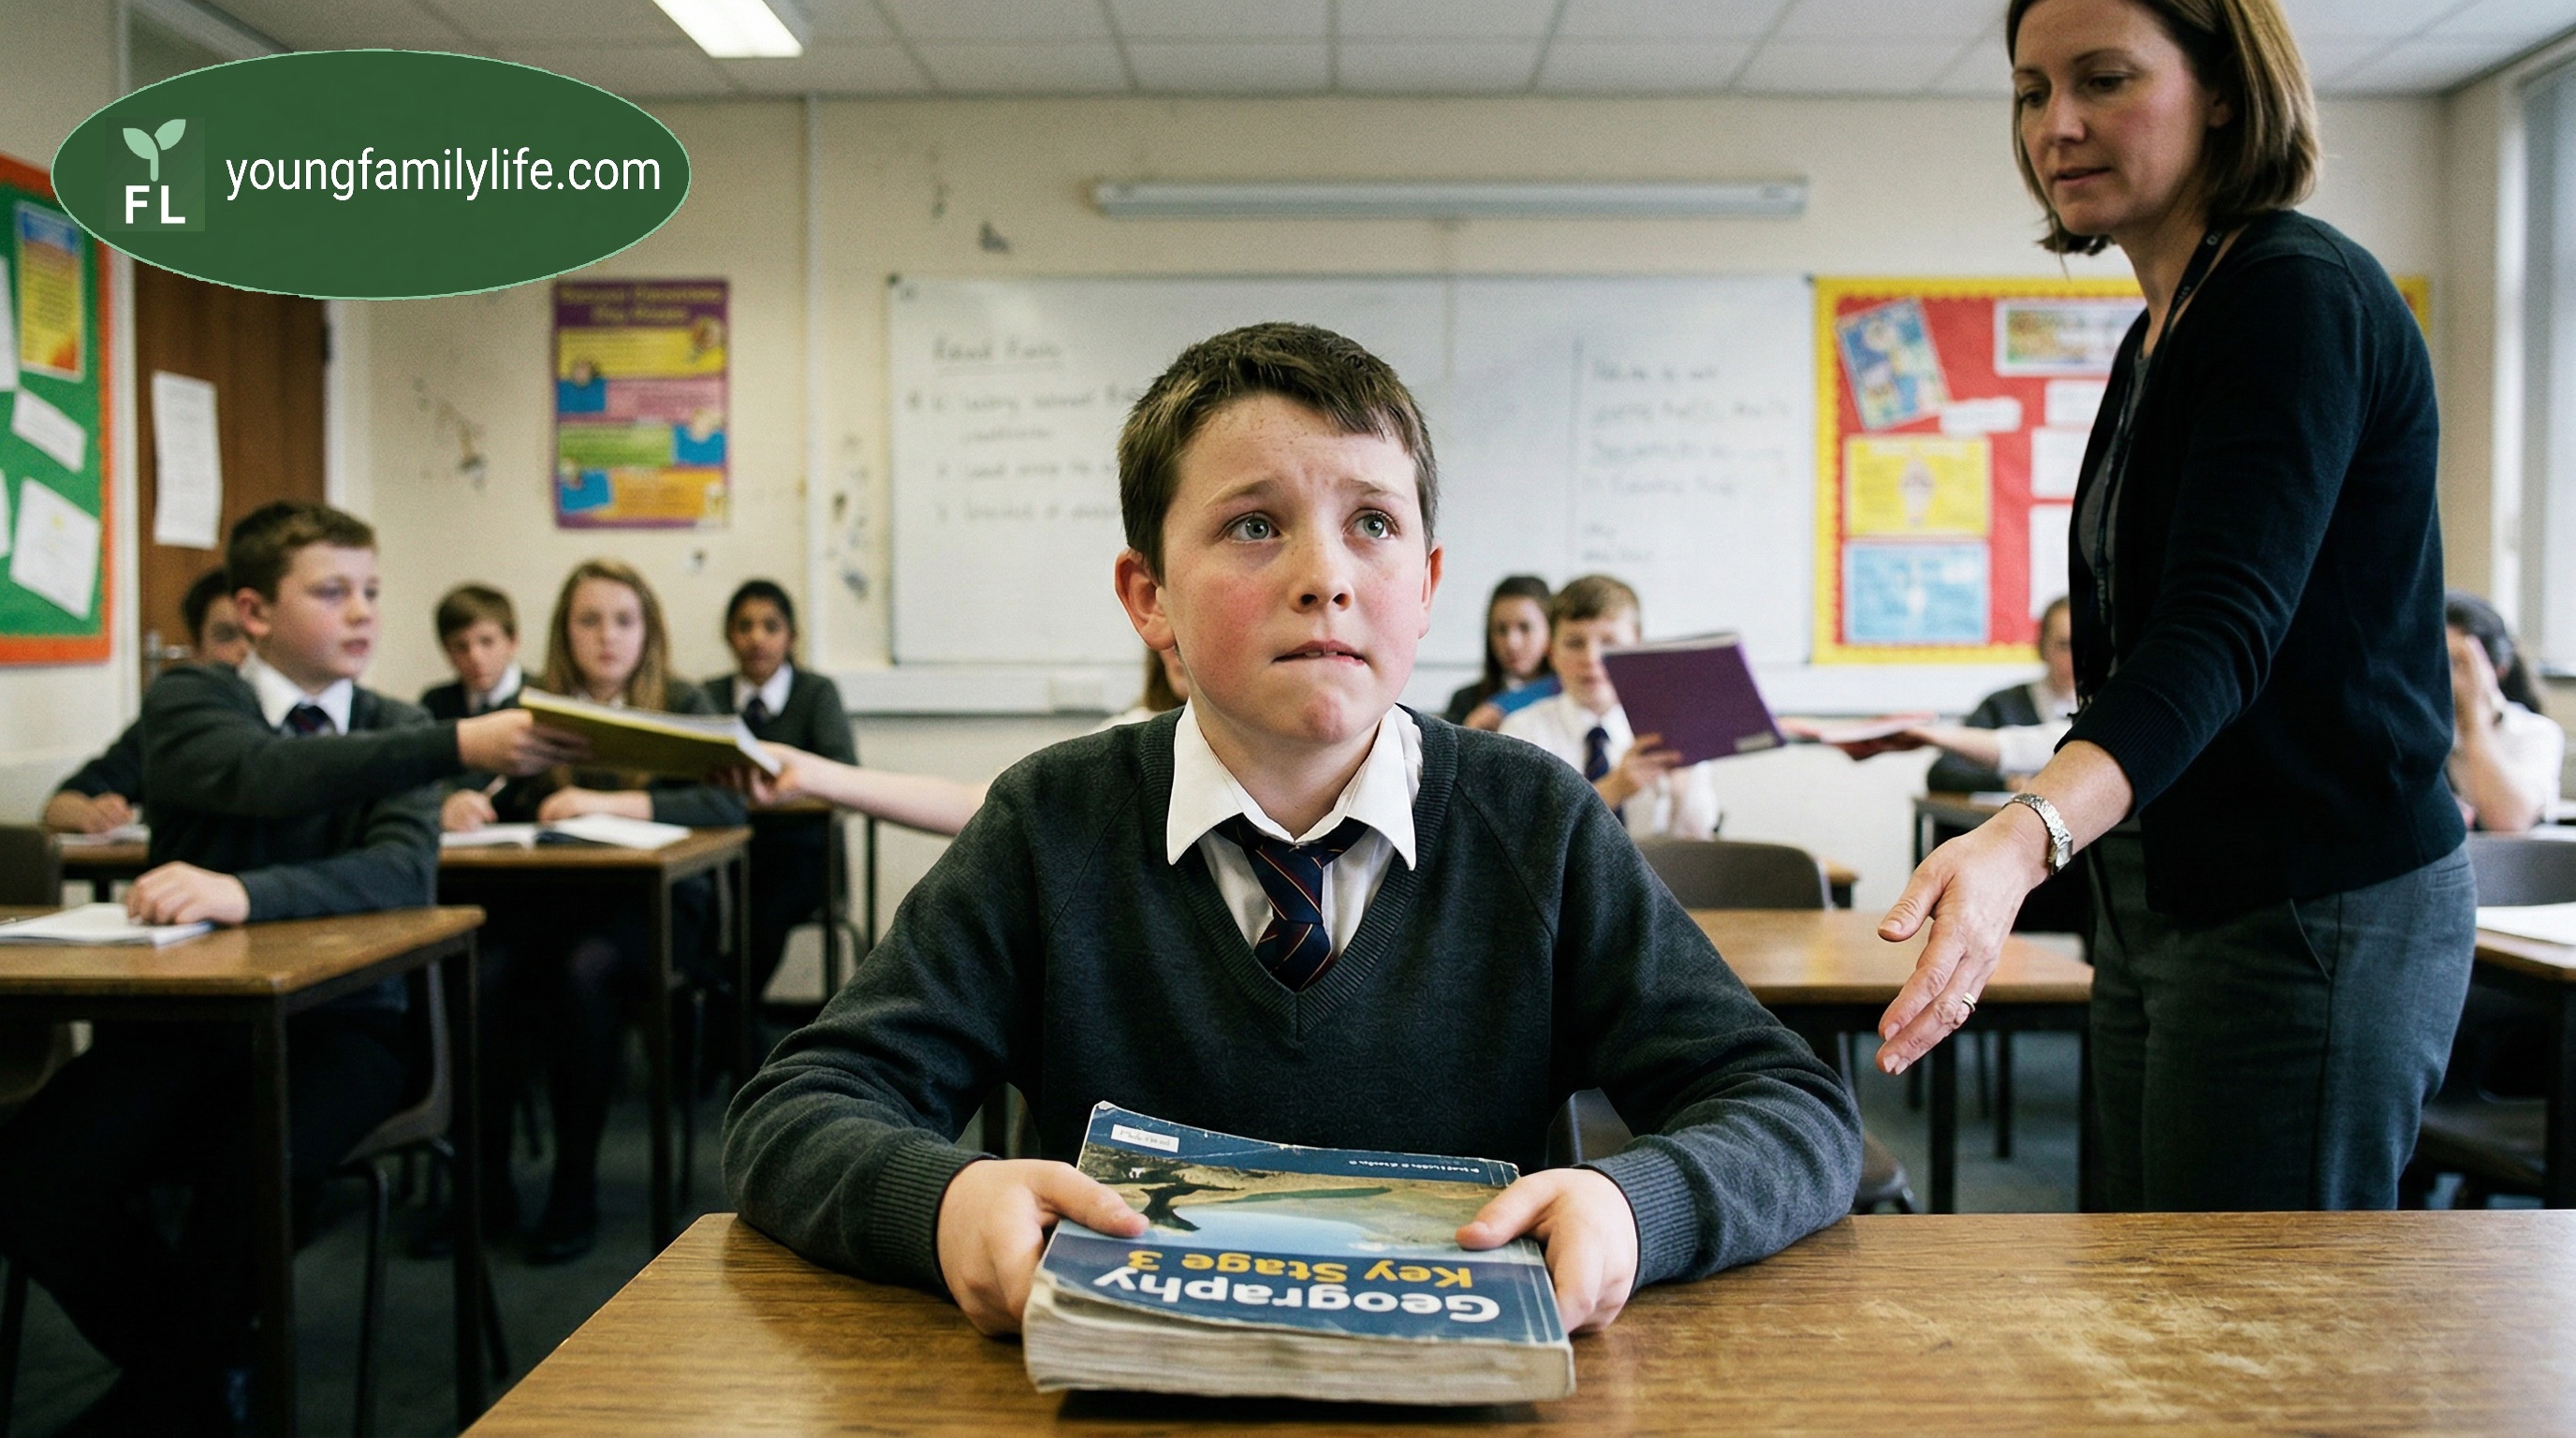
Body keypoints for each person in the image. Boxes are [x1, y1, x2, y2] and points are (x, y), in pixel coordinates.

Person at [724, 321, 1859, 1341]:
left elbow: (1790, 1108)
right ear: (1148, 597)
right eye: (1255, 525)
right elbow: (798, 1111)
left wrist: (1630, 1207)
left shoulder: (1536, 821)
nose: (1325, 577)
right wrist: (944, 1203)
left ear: (1425, 584)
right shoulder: (1048, 824)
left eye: (1371, 523)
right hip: (1124, 1405)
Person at [1875, 0, 2473, 1212]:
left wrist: (2024, 830)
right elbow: (2141, 659)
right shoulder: (2163, 328)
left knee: (2251, 1338)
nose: (2060, 124)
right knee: (2150, 1296)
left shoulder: (2292, 294)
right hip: (2168, 894)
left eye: (2103, 80)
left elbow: (2219, 631)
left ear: (2224, 89)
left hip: (2308, 898)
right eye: (2033, 92)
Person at [0, 503, 571, 1433]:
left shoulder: (390, 726)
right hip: (188, 1024)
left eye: (373, 593)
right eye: (333, 591)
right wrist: (454, 744)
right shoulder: (193, 701)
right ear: (255, 613)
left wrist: (247, 893)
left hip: (348, 1028)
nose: (362, 614)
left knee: (249, 1165)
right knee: (34, 1173)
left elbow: (396, 869)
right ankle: (200, 1375)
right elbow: (259, 773)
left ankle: (171, 1396)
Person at [476, 558, 747, 1262]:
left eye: (624, 621)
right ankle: (487, 1187)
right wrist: (462, 799)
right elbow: (501, 797)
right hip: (555, 902)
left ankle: (574, 1186)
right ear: (564, 634)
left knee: (583, 971)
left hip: (653, 916)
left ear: (648, 631)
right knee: (484, 968)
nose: (606, 638)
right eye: (588, 621)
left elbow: (726, 801)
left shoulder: (683, 704)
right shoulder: (536, 713)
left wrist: (607, 802)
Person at [706, 580, 857, 1015]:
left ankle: (726, 1017)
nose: (757, 638)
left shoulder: (816, 693)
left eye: (771, 626)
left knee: (763, 905)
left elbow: (842, 768)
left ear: (790, 637)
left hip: (801, 853)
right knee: (695, 902)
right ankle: (715, 1016)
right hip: (722, 852)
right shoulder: (709, 696)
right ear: (729, 636)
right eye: (744, 626)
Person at [1498, 574, 1721, 840]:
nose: (1591, 659)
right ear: (1552, 652)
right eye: (1574, 643)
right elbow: (1517, 837)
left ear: (1636, 648)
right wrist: (1612, 790)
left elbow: (1698, 849)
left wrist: (1682, 786)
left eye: (1609, 643)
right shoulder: (1522, 730)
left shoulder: (1669, 725)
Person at [41, 566, 250, 835]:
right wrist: (92, 813)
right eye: (226, 636)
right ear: (197, 651)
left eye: (259, 636)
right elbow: (60, 805)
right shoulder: (173, 724)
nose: (246, 650)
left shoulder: (306, 719)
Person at [1918, 596, 2082, 792]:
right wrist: (2006, 783)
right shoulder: (2001, 705)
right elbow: (1943, 772)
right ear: (2042, 647)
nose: (2076, 658)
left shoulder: (2103, 710)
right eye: (2064, 646)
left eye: (2086, 646)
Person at [2443, 590, 2563, 833]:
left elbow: (2508, 821)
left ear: (2497, 669)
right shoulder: (2414, 732)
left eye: (2457, 663)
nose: (2442, 677)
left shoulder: (2534, 733)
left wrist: (2475, 720)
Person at [421, 582, 529, 833]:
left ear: (512, 642)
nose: (475, 657)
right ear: (447, 650)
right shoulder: (435, 703)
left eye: (487, 642)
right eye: (461, 646)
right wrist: (447, 801)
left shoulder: (541, 696)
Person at [1444, 574, 1554, 728]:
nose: (1512, 643)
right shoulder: (1466, 700)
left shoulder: (1573, 693)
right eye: (1501, 630)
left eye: (1525, 627)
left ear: (1551, 630)